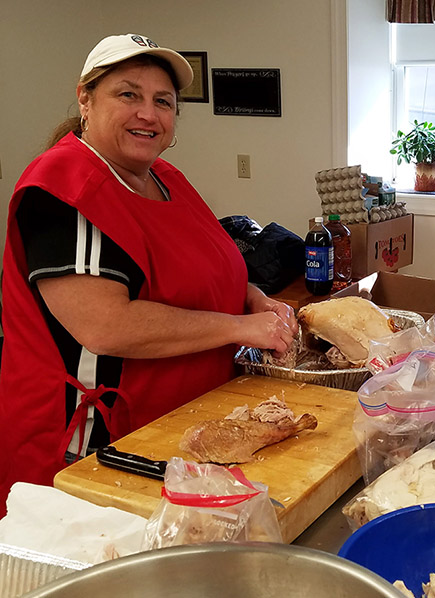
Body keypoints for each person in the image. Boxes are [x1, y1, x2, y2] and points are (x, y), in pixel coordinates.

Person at [0, 34, 298, 516]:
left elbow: (201, 266)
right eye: (128, 94)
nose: (148, 113)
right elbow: (105, 325)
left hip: (176, 427)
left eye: (163, 101)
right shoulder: (63, 189)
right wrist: (240, 328)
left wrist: (252, 297)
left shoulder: (166, 178)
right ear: (85, 98)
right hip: (97, 446)